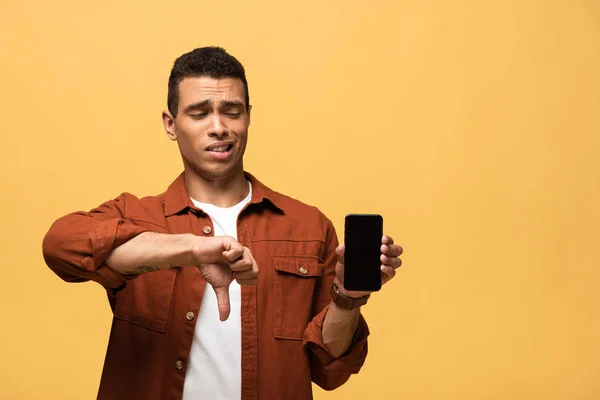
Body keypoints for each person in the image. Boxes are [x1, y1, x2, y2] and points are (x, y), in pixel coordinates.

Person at [42, 46, 403, 400]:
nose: (218, 127)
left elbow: (329, 370)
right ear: (171, 124)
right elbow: (60, 245)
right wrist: (191, 248)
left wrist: (347, 298)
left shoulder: (308, 226)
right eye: (199, 113)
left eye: (232, 111)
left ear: (248, 116)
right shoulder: (137, 217)